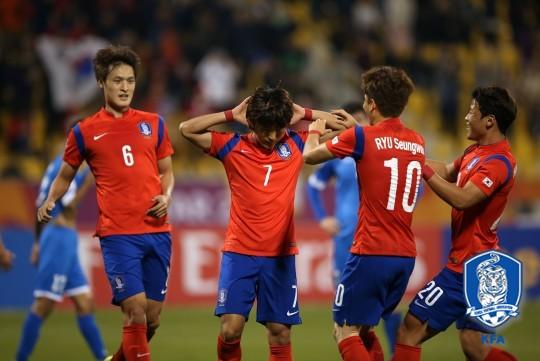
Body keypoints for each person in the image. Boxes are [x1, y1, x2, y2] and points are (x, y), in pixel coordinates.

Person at [180, 85, 352, 361]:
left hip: (280, 258)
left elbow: (346, 128)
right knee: (231, 330)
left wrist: (303, 112)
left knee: (280, 332)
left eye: (277, 128)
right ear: (251, 122)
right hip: (240, 254)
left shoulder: (297, 143)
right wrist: (229, 114)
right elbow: (186, 129)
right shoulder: (232, 146)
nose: (271, 136)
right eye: (265, 128)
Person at [37, 45, 174, 361]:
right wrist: (50, 199)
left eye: (130, 80)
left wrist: (165, 196)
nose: (125, 87)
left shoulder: (154, 123)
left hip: (158, 230)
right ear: (102, 82)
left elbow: (167, 172)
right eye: (117, 81)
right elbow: (65, 174)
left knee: (151, 320)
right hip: (118, 233)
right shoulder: (84, 131)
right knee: (135, 310)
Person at [303, 65, 424, 361]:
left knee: (344, 331)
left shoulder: (360, 138)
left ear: (371, 103)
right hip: (405, 254)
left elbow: (308, 156)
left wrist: (316, 129)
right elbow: (383, 146)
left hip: (370, 249)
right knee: (367, 330)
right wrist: (356, 131)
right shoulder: (417, 141)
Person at [392, 86, 518, 361]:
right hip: (484, 264)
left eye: (472, 110)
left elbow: (462, 199)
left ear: (489, 121)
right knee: (474, 345)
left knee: (409, 331)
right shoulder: (477, 152)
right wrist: (409, 156)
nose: (465, 117)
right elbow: (449, 172)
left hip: (468, 269)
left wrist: (421, 170)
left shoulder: (498, 162)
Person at [305, 102, 402, 354]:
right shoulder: (339, 154)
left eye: (358, 119)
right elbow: (313, 184)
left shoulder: (381, 150)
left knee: (383, 311)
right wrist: (322, 217)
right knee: (347, 321)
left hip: (376, 235)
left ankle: (395, 352)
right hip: (346, 236)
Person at [16, 152, 107, 361]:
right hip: (59, 238)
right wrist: (90, 180)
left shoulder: (57, 164)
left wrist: (38, 243)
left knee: (85, 302)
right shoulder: (69, 168)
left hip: (61, 235)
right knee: (44, 304)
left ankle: (103, 358)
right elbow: (71, 204)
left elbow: (41, 206)